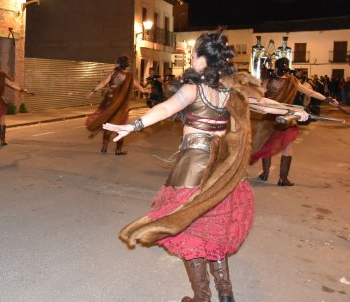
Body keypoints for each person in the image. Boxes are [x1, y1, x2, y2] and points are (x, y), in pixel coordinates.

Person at [103, 32, 309, 302]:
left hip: (195, 163)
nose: (191, 57)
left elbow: (165, 109)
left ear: (203, 58)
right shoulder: (231, 88)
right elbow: (263, 103)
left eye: (194, 53)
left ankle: (201, 297)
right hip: (223, 167)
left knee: (190, 227)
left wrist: (134, 125)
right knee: (215, 227)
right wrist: (291, 110)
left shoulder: (194, 88)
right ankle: (225, 292)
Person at [253, 57, 337, 186]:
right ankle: (283, 179)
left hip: (270, 119)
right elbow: (310, 92)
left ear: (276, 68)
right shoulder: (293, 81)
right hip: (287, 119)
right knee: (287, 147)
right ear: (287, 69)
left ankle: (265, 173)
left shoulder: (268, 81)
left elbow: (258, 97)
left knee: (267, 146)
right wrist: (327, 99)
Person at [85, 55, 145, 155]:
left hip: (110, 103)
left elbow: (103, 83)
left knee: (108, 123)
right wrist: (145, 91)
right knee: (121, 125)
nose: (114, 63)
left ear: (118, 64)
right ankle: (118, 149)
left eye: (116, 62)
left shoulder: (113, 74)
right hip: (121, 106)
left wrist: (92, 92)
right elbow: (139, 87)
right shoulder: (129, 77)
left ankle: (104, 146)